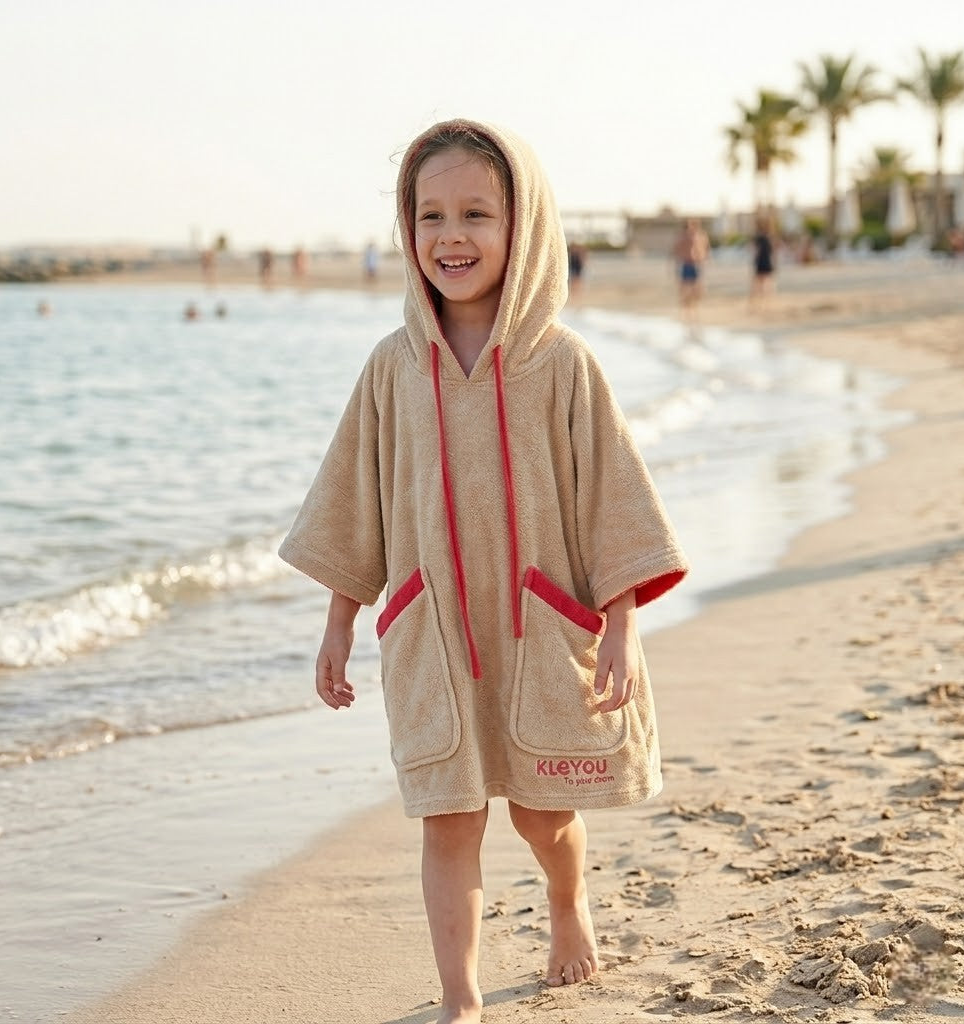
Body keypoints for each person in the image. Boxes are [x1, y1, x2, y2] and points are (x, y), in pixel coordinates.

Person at [278, 119, 688, 1024]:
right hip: (438, 627)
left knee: (543, 813)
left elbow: (610, 500)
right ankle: (461, 1000)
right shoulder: (392, 369)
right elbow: (355, 503)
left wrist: (620, 622)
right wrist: (340, 624)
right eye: (430, 215)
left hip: (542, 621)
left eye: (476, 214)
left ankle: (567, 901)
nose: (450, 236)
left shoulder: (564, 364)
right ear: (406, 228)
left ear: (525, 225)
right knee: (450, 816)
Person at [671, 218, 710, 331]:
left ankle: (693, 311)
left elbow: (706, 249)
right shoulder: (683, 237)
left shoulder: (701, 236)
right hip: (686, 264)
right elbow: (676, 251)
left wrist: (704, 259)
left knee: (697, 291)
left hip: (696, 265)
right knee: (685, 290)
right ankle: (686, 313)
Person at [749, 214, 776, 311]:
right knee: (766, 283)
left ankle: (756, 303)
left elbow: (755, 251)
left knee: (757, 284)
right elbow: (772, 251)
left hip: (760, 262)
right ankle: (766, 303)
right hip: (767, 262)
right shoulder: (769, 237)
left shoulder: (759, 238)